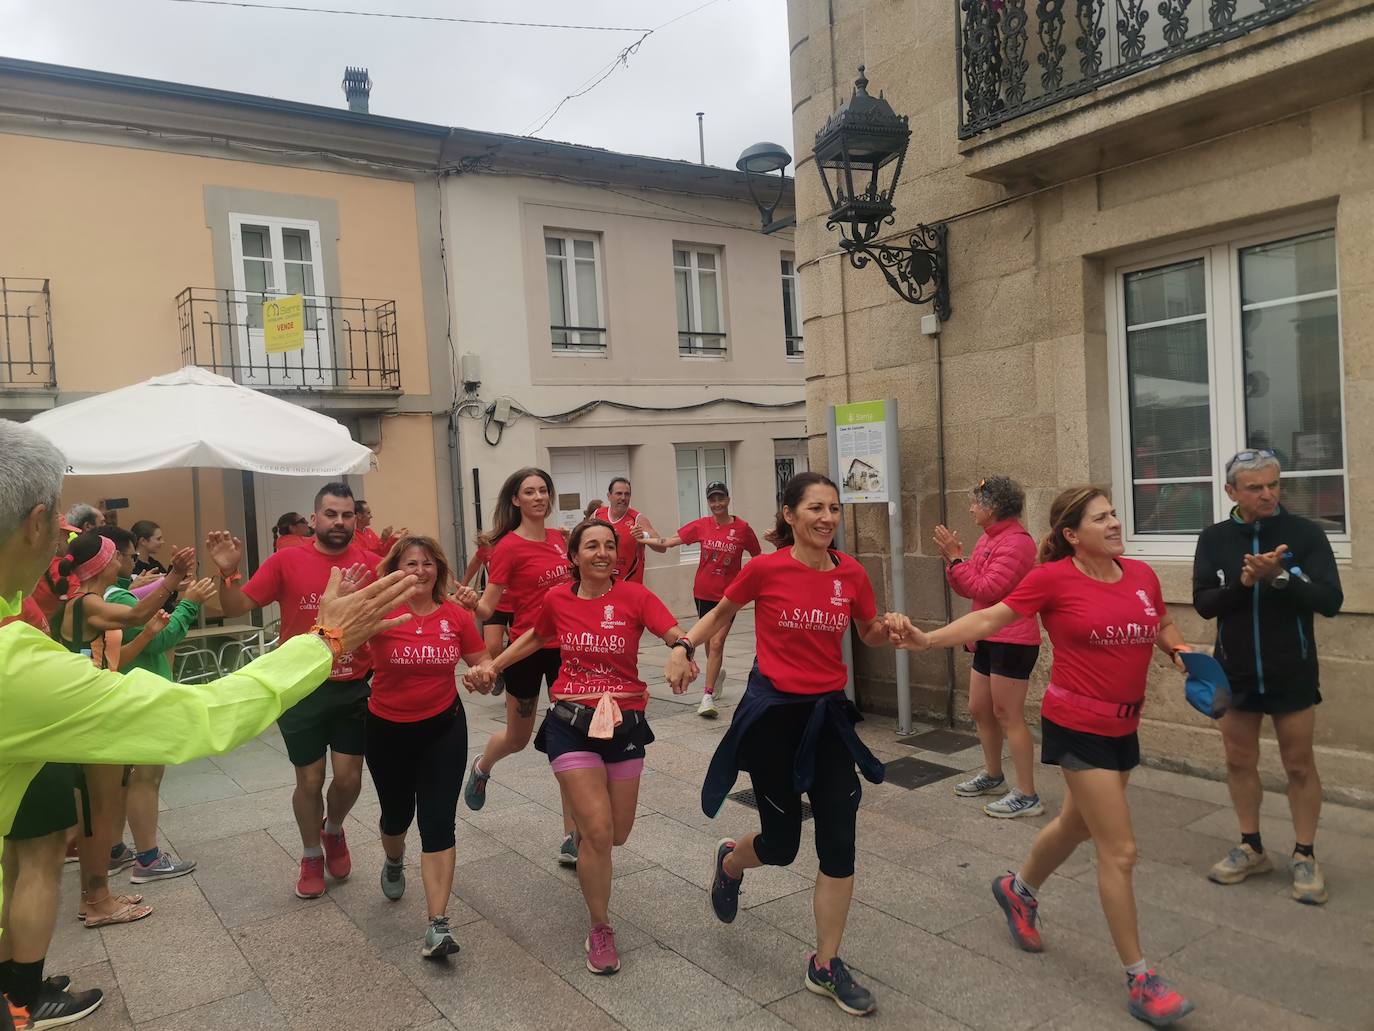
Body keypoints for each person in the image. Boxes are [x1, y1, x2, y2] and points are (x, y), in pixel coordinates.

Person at [0, 417, 420, 1031]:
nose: (60, 553)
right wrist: (324, 640)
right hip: (300, 685)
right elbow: (203, 717)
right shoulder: (16, 665)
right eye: (59, 531)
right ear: (37, 523)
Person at [889, 486, 1195, 1026]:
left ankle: (1018, 888)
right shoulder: (1054, 578)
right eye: (1102, 518)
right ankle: (1141, 977)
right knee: (1118, 851)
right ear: (1073, 535)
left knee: (1076, 825)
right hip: (1077, 726)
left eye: (1115, 513)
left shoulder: (1141, 575)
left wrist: (1179, 648)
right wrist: (927, 640)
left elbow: (1161, 622)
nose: (1115, 522)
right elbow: (991, 618)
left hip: (1124, 725)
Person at [666, 472, 894, 1017]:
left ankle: (825, 964)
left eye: (834, 509)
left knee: (839, 838)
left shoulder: (852, 574)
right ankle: (730, 863)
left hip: (829, 717)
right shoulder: (766, 568)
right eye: (816, 507)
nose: (828, 518)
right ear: (789, 515)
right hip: (774, 718)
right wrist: (682, 646)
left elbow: (868, 632)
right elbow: (721, 612)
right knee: (783, 842)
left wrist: (895, 628)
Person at [467, 518, 689, 975]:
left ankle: (586, 850)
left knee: (618, 833)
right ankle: (600, 926)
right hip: (571, 721)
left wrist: (681, 649)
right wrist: (495, 665)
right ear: (574, 557)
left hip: (625, 723)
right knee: (599, 832)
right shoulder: (557, 599)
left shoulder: (635, 597)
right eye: (592, 546)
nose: (603, 553)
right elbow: (535, 635)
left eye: (610, 546)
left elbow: (674, 631)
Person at [206, 482, 381, 900]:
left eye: (347, 515)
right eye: (331, 514)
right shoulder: (287, 560)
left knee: (349, 779)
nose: (340, 522)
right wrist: (227, 572)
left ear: (355, 519)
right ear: (314, 518)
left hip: (353, 685)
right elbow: (234, 607)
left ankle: (333, 830)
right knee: (309, 779)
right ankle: (310, 855)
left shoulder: (371, 563)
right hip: (300, 687)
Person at [1192, 448, 1343, 904]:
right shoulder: (1214, 538)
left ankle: (1304, 854)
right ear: (1231, 491)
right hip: (1234, 671)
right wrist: (1243, 583)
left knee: (1299, 764)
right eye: (1255, 487)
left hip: (1290, 669)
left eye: (1274, 484)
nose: (1268, 494)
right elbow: (1204, 603)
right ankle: (1251, 845)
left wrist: (1280, 577)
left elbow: (1330, 600)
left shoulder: (1306, 533)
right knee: (1239, 760)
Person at [52, 530, 190, 929]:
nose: (123, 563)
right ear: (101, 564)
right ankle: (98, 902)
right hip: (92, 719)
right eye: (117, 557)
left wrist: (148, 634)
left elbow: (112, 660)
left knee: (100, 812)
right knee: (98, 814)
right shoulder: (89, 602)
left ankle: (96, 896)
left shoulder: (82, 602)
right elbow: (133, 614)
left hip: (93, 713)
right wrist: (174, 580)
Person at [364, 536, 489, 960]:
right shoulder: (378, 612)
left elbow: (482, 663)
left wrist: (484, 675)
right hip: (386, 731)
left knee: (438, 823)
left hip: (443, 729)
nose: (420, 570)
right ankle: (394, 859)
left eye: (428, 563)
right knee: (396, 817)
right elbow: (333, 645)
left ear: (439, 569)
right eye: (410, 562)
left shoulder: (456, 615)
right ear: (396, 569)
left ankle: (437, 924)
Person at [453, 469, 577, 862]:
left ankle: (573, 837)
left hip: (566, 649)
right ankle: (483, 765)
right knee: (518, 738)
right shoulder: (507, 547)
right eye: (530, 492)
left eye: (543, 490)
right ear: (516, 501)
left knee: (571, 744)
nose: (539, 497)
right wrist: (473, 603)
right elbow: (490, 607)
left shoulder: (560, 540)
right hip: (526, 647)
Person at [0, 597, 102, 1028]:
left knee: (14, 868)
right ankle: (27, 998)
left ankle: (10, 985)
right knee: (39, 864)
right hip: (32, 738)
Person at [96, 528, 217, 886]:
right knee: (145, 777)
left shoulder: (95, 597)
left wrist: (171, 580)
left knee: (121, 779)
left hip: (119, 696)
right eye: (129, 557)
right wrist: (190, 601)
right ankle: (148, 858)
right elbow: (158, 637)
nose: (134, 564)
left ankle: (115, 849)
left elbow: (138, 598)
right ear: (111, 558)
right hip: (142, 696)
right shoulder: (116, 598)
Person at [934, 476, 1042, 818]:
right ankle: (993, 775)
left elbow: (988, 586)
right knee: (980, 707)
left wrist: (955, 559)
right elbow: (970, 587)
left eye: (976, 503)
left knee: (1008, 715)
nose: (970, 508)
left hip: (1013, 639)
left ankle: (1027, 794)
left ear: (992, 507)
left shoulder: (1018, 543)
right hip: (988, 637)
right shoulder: (988, 539)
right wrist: (955, 562)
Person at [638, 480, 760, 718]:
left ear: (728, 500)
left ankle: (707, 695)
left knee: (716, 643)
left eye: (720, 499)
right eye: (712, 500)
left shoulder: (743, 529)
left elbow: (757, 558)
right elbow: (667, 542)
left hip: (729, 596)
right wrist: (643, 539)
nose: (717, 504)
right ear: (708, 502)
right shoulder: (701, 526)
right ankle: (717, 674)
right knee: (708, 642)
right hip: (702, 593)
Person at [593, 478, 661, 584]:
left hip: (629, 584)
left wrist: (645, 536)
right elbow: (583, 542)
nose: (623, 498)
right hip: (602, 583)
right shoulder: (597, 515)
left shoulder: (637, 519)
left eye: (627, 494)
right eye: (619, 493)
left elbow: (662, 547)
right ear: (609, 496)